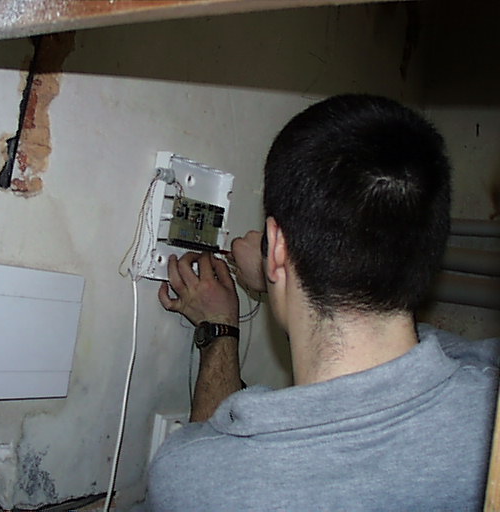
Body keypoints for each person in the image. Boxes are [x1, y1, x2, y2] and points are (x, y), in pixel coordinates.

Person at [146, 94, 500, 511]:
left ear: (276, 245)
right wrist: (283, 274)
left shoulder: (188, 478)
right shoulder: (487, 396)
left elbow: (210, 465)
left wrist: (221, 326)